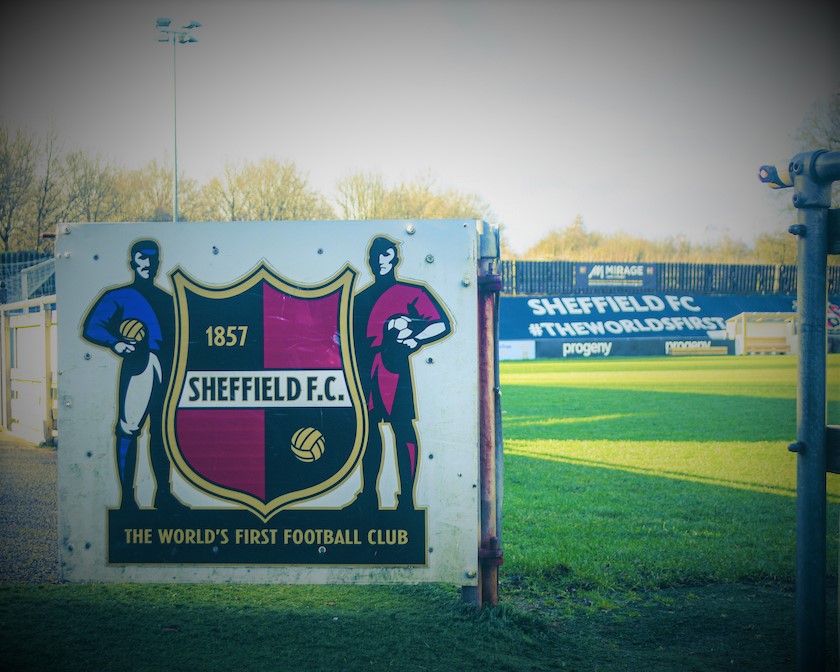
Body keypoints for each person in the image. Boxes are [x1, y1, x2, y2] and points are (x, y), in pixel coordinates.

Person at [353, 235, 451, 511]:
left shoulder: (412, 292)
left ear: (395, 259)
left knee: (402, 428)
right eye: (375, 256)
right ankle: (369, 495)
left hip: (394, 369)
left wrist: (415, 336)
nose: (380, 261)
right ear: (370, 261)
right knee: (369, 431)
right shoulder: (360, 299)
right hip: (366, 369)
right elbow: (348, 337)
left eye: (385, 255)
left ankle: (406, 498)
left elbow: (440, 324)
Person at [82, 239, 177, 511]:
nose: (148, 263)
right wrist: (116, 342)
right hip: (139, 365)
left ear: (159, 263)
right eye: (142, 258)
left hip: (166, 366)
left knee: (162, 432)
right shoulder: (118, 296)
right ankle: (127, 500)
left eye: (153, 258)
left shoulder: (167, 299)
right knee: (129, 430)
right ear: (133, 262)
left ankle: (163, 495)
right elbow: (93, 326)